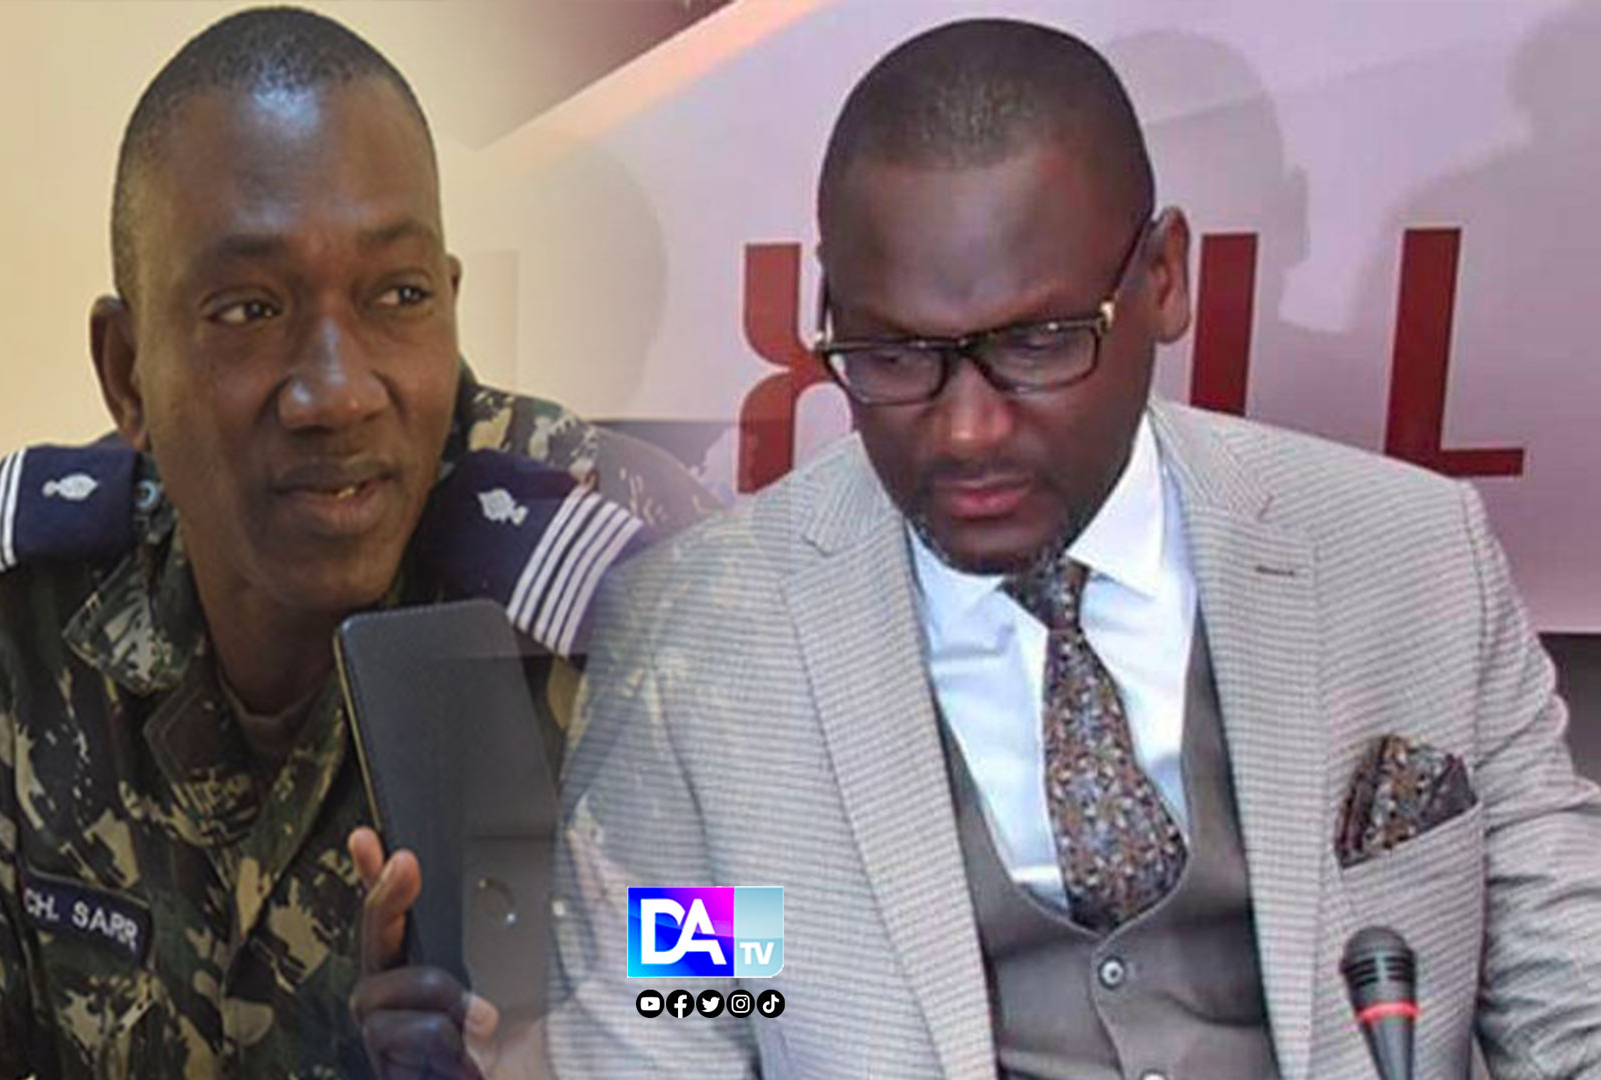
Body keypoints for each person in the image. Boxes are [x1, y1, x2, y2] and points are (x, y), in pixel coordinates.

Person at [549, 18, 1601, 1079]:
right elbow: (673, 1036)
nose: (967, 432)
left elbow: (1574, 1006)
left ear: (1165, 279)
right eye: (895, 354)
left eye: (1039, 343)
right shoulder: (701, 651)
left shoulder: (1412, 559)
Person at [0, 8, 709, 1079]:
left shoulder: (646, 598)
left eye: (398, 296)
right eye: (249, 309)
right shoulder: (19, 607)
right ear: (128, 373)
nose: (336, 391)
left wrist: (560, 1054)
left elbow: (772, 992)